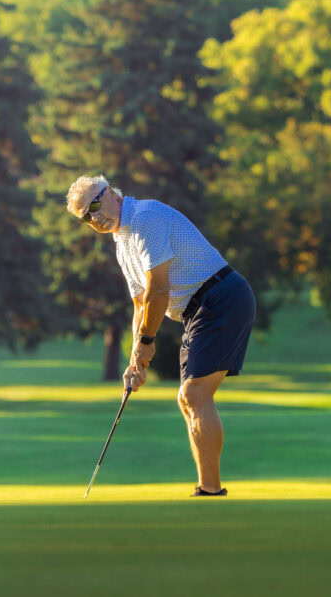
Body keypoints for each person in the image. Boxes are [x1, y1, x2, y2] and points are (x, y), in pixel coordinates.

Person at [66, 174, 256, 497]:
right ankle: (208, 488)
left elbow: (159, 290)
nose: (94, 218)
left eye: (95, 206)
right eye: (86, 217)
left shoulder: (145, 219)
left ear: (111, 193)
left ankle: (210, 491)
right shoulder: (122, 243)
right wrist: (134, 362)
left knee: (194, 395)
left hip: (222, 297)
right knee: (187, 398)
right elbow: (140, 303)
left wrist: (146, 343)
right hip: (198, 310)